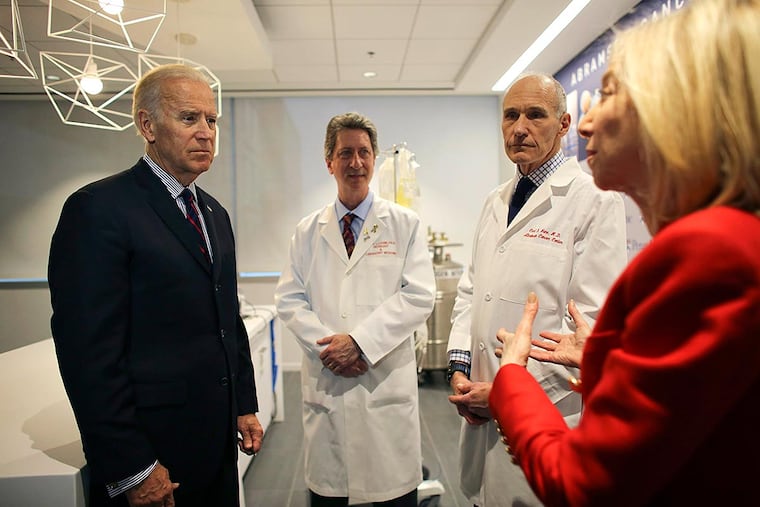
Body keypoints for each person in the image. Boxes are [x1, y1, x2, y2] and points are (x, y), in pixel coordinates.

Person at [490, 0, 760, 505]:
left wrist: (510, 377)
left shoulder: (711, 254)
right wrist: (605, 363)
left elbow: (585, 485)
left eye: (609, 94)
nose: (587, 124)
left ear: (679, 112)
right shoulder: (726, 242)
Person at [48, 64, 263, 507]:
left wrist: (243, 403)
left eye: (212, 120)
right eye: (190, 118)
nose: (206, 132)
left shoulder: (213, 214)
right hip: (153, 454)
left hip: (216, 444)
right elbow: (88, 354)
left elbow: (227, 320)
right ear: (147, 125)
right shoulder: (98, 209)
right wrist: (132, 467)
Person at [446, 72, 628, 506]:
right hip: (478, 398)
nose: (519, 127)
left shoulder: (595, 202)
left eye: (535, 115)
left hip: (547, 412)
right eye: (510, 116)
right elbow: (472, 294)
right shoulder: (496, 200)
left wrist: (511, 395)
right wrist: (459, 367)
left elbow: (591, 326)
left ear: (564, 125)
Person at [274, 112, 436, 507]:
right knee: (331, 494)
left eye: (364, 152)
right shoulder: (307, 231)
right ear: (329, 161)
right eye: (345, 153)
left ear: (375, 159)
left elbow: (418, 295)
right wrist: (332, 348)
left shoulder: (404, 225)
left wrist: (360, 343)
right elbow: (289, 299)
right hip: (329, 384)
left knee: (392, 496)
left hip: (382, 383)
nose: (356, 163)